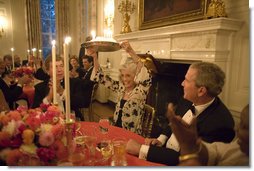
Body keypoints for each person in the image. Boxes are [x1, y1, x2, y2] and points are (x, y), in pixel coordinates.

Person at [126, 62, 235, 165]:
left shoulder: (221, 124)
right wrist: (161, 139)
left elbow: (189, 158)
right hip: (165, 151)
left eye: (186, 80)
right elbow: (173, 122)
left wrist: (141, 149)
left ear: (201, 91)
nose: (182, 83)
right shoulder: (189, 98)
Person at [89, 40, 152, 135]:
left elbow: (145, 74)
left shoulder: (140, 91)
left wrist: (130, 51)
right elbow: (100, 76)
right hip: (116, 130)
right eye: (122, 75)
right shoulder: (121, 88)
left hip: (131, 135)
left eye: (128, 75)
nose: (124, 79)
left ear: (135, 76)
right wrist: (95, 57)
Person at [168, 104, 249, 166]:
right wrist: (191, 144)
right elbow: (216, 152)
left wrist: (189, 154)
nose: (237, 129)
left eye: (245, 127)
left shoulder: (220, 120)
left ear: (201, 91)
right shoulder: (239, 148)